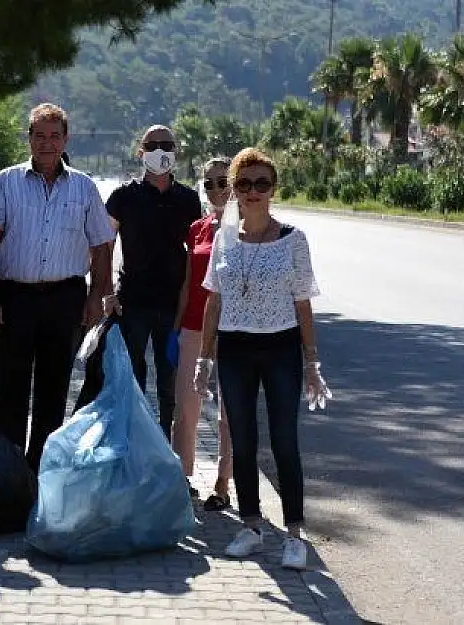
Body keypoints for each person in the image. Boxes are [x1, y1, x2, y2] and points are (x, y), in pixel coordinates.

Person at [194, 147, 332, 570]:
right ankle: (251, 525)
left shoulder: (293, 239)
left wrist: (312, 364)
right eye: (244, 184)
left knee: (285, 441)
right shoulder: (223, 239)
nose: (253, 192)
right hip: (235, 348)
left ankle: (295, 533)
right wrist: (204, 359)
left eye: (262, 184)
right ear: (233, 190)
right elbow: (213, 301)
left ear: (273, 189)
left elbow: (303, 303)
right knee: (243, 441)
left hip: (280, 347)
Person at [0, 103, 115, 471]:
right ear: (29, 139)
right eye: (39, 135)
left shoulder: (84, 187)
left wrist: (96, 295)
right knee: (9, 390)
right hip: (14, 298)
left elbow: (102, 246)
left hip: (64, 299)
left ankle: (41, 475)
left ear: (66, 139)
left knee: (53, 392)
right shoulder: (6, 182)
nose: (47, 143)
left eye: (55, 136)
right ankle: (7, 475)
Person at [102, 125, 203, 443]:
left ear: (177, 152)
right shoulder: (123, 197)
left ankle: (167, 452)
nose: (161, 151)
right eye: (153, 145)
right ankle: (134, 447)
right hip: (132, 302)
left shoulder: (188, 200)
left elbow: (196, 254)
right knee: (132, 379)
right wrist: (105, 292)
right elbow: (104, 246)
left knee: (170, 384)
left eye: (168, 145)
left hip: (173, 306)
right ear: (140, 151)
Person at [172, 157, 235, 511]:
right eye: (208, 183)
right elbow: (187, 282)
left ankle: (223, 483)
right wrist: (176, 327)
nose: (216, 189)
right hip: (193, 328)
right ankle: (183, 476)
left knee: (231, 411)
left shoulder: (247, 228)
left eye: (222, 181)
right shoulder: (197, 227)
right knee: (187, 406)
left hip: (232, 331)